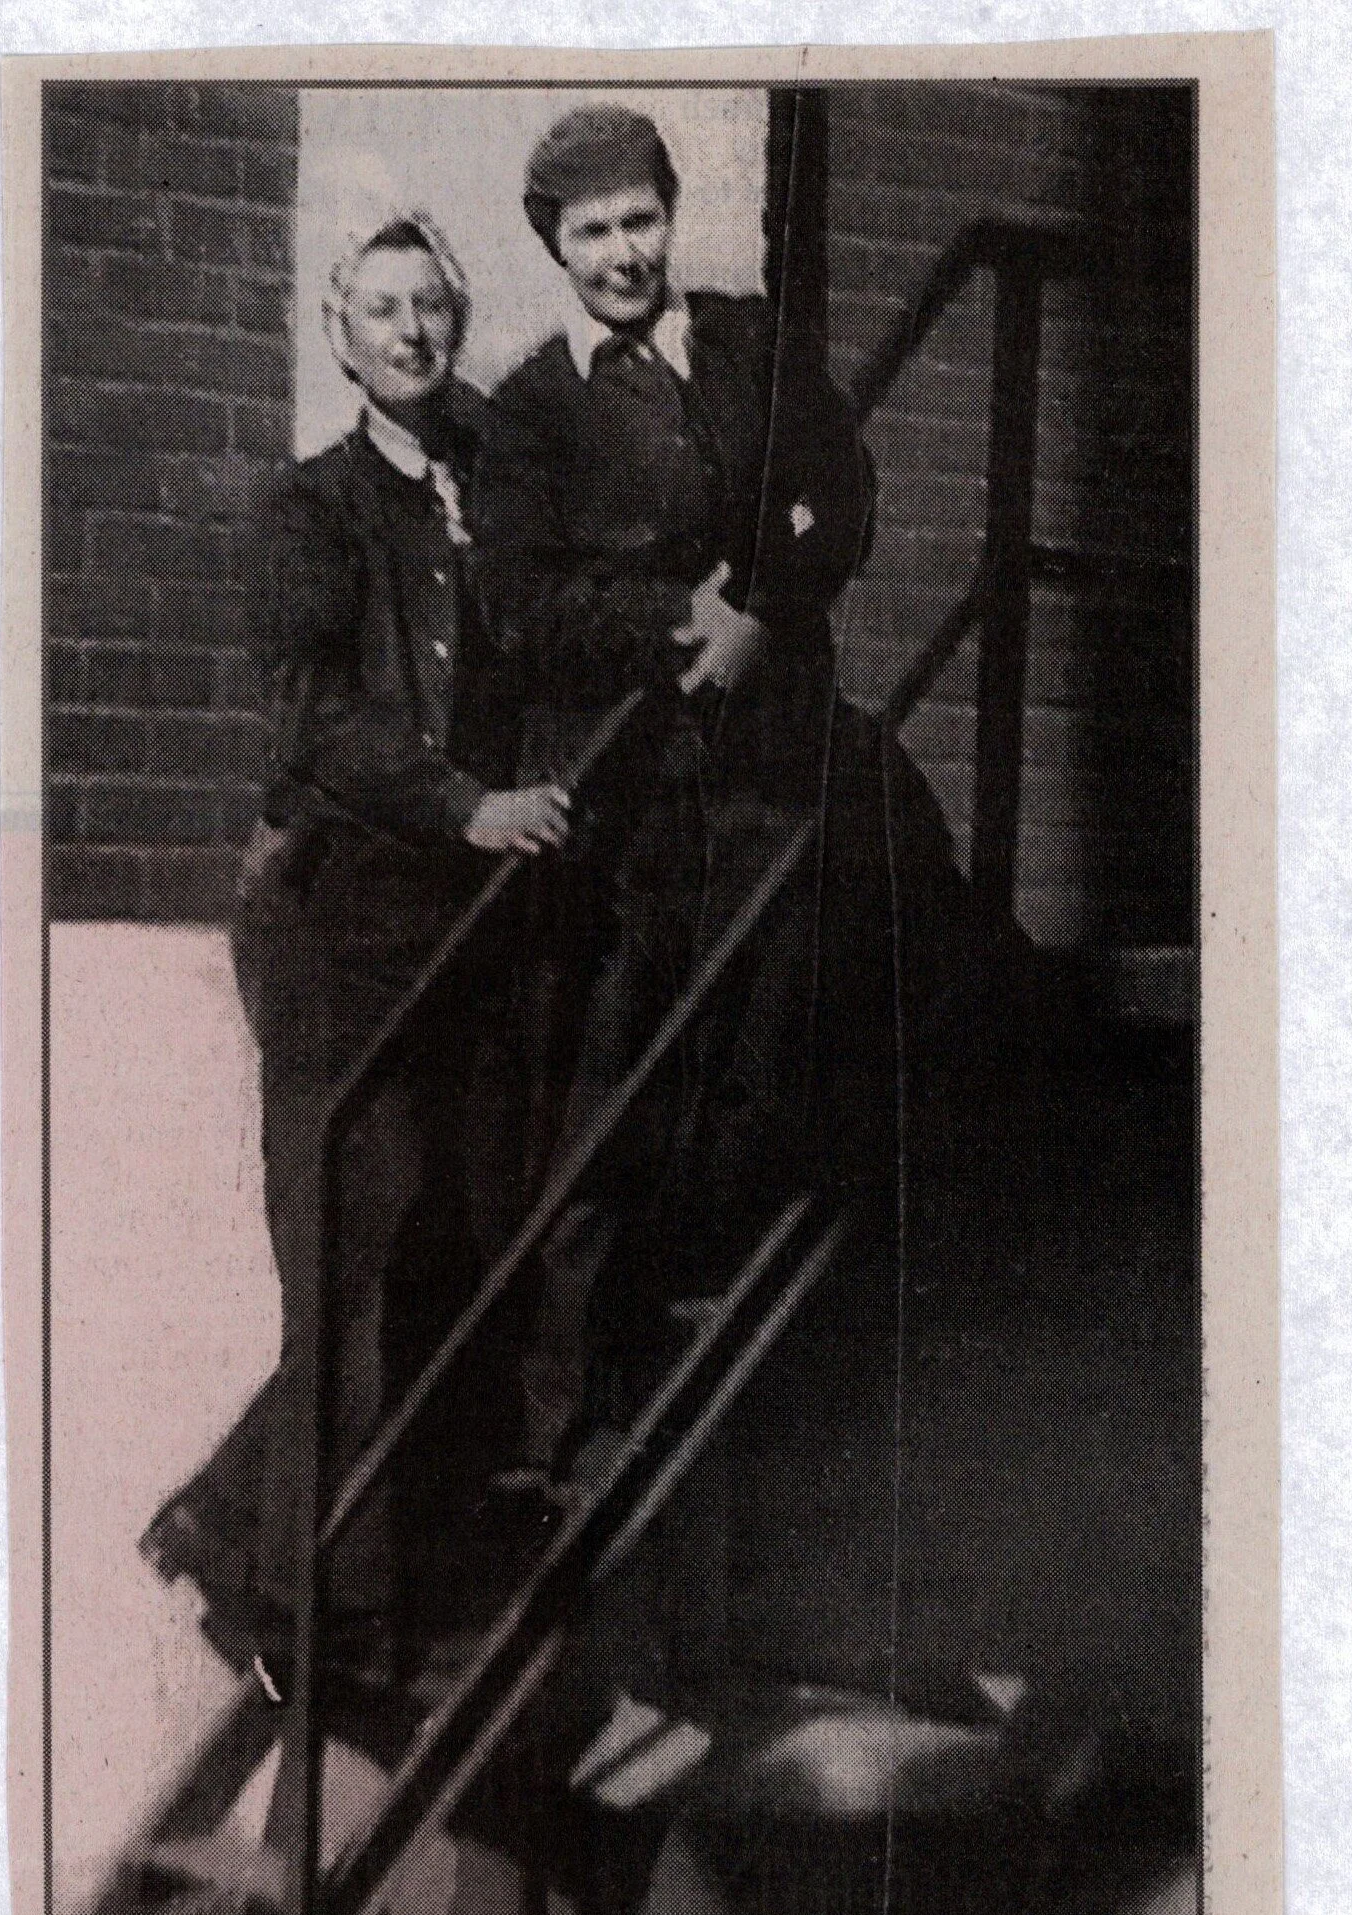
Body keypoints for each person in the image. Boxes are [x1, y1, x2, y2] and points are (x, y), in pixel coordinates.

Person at [142, 211, 568, 1686]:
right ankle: (305, 1614)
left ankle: (251, 1539)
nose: (410, 332)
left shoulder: (487, 494)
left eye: (430, 307)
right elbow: (316, 727)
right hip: (343, 927)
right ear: (340, 339)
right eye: (380, 311)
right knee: (352, 1253)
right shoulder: (312, 510)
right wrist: (467, 806)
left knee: (461, 1249)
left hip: (471, 930)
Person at [471, 106, 875, 1519]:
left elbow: (844, 497)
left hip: (767, 780)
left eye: (639, 219)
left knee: (761, 1077)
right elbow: (517, 605)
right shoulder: (531, 410)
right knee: (610, 1088)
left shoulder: (751, 344)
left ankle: (735, 1428)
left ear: (669, 214)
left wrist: (765, 610)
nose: (623, 253)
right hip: (628, 805)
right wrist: (674, 624)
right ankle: (563, 1428)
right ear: (556, 248)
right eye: (592, 232)